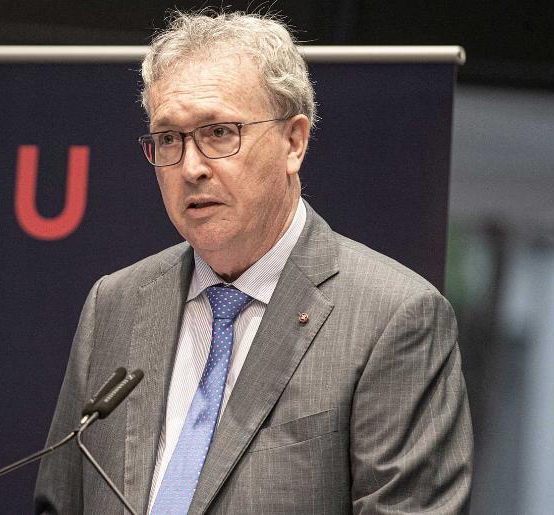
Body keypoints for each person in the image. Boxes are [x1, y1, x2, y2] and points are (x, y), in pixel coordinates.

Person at [34, 10, 473, 515]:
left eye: (219, 132)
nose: (192, 167)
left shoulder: (394, 316)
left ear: (294, 142)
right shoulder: (115, 303)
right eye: (169, 139)